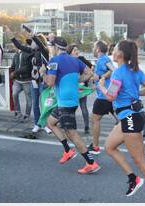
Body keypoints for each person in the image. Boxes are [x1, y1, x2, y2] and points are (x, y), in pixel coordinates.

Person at [98, 40, 145, 203]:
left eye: (115, 48)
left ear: (120, 54)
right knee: (109, 146)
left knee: (140, 160)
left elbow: (111, 96)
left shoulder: (118, 73)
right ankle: (134, 178)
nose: (113, 50)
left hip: (129, 118)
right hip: (130, 116)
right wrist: (136, 95)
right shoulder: (135, 71)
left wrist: (101, 86)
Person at [40, 37, 100, 174]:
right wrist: (76, 80)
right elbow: (89, 73)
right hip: (70, 99)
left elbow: (50, 83)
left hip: (65, 102)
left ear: (55, 48)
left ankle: (91, 163)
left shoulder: (54, 61)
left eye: (51, 47)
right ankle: (68, 150)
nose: (51, 49)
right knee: (50, 123)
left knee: (71, 133)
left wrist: (43, 73)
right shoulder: (75, 60)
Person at [5, 25, 51, 134]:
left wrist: (30, 32)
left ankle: (45, 125)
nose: (31, 43)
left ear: (38, 43)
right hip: (34, 81)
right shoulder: (32, 51)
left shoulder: (44, 51)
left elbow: (37, 41)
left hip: (43, 81)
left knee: (44, 104)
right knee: (35, 103)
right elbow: (20, 46)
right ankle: (37, 124)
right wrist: (11, 37)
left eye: (33, 42)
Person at [88, 41, 116, 155]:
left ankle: (95, 147)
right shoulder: (103, 59)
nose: (93, 49)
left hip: (104, 97)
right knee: (121, 120)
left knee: (95, 120)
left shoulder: (103, 59)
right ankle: (134, 137)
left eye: (94, 47)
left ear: (98, 49)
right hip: (108, 94)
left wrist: (101, 76)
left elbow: (114, 70)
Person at [66, 44, 91, 133]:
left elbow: (91, 68)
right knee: (73, 107)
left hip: (82, 87)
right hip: (73, 88)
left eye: (77, 50)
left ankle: (86, 126)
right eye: (74, 50)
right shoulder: (68, 61)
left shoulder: (81, 59)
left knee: (83, 106)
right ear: (69, 53)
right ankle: (72, 126)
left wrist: (82, 78)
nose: (77, 52)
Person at [10, 46, 33, 122]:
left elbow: (27, 67)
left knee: (28, 98)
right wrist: (12, 74)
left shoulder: (28, 54)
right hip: (17, 80)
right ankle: (18, 112)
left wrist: (15, 73)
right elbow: (13, 66)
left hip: (27, 80)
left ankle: (27, 115)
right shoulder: (16, 55)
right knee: (14, 94)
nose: (15, 48)